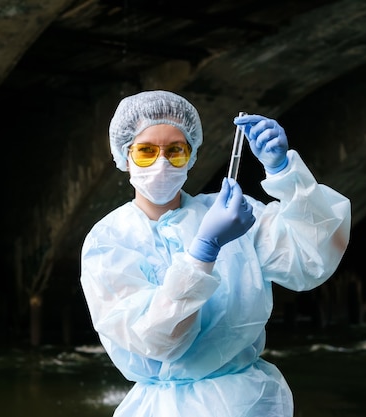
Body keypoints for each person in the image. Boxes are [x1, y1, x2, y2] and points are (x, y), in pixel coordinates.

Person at [80, 90, 351, 417]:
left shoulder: (234, 216)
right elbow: (158, 340)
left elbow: (312, 259)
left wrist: (283, 172)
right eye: (146, 151)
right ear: (124, 157)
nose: (162, 162)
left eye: (176, 151)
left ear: (192, 157)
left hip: (249, 403)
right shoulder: (108, 241)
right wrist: (203, 251)